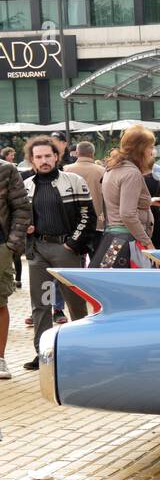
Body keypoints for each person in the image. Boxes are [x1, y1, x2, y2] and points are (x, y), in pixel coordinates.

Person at [20, 136, 95, 371]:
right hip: (38, 250)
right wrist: (27, 228)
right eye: (38, 157)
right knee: (41, 303)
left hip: (65, 249)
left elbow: (87, 215)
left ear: (56, 156)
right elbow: (20, 216)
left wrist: (73, 244)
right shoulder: (27, 184)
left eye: (47, 156)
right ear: (31, 160)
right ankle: (43, 353)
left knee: (75, 302)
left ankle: (81, 350)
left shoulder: (73, 180)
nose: (43, 161)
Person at [92, 125, 156, 268]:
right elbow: (127, 214)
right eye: (150, 147)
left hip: (114, 239)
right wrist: (147, 242)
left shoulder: (113, 168)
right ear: (140, 149)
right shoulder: (131, 173)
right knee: (133, 286)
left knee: (110, 280)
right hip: (128, 241)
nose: (153, 152)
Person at [0, 152, 30, 380]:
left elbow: (21, 208)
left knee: (0, 302)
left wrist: (11, 244)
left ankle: (0, 359)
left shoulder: (7, 169)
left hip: (0, 246)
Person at [67, 141, 106, 255]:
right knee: (96, 257)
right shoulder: (102, 171)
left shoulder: (65, 170)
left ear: (77, 153)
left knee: (74, 258)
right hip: (97, 222)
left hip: (72, 222)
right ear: (92, 154)